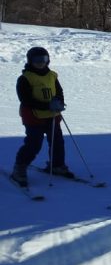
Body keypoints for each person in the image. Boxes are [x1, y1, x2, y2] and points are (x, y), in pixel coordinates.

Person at [11, 46, 73, 187]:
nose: (40, 62)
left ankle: (57, 165)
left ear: (48, 60)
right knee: (34, 144)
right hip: (33, 116)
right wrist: (47, 106)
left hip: (52, 115)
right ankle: (19, 169)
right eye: (37, 60)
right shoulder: (25, 78)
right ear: (30, 61)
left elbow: (59, 91)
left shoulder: (52, 75)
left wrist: (59, 101)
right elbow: (25, 99)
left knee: (57, 141)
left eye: (43, 59)